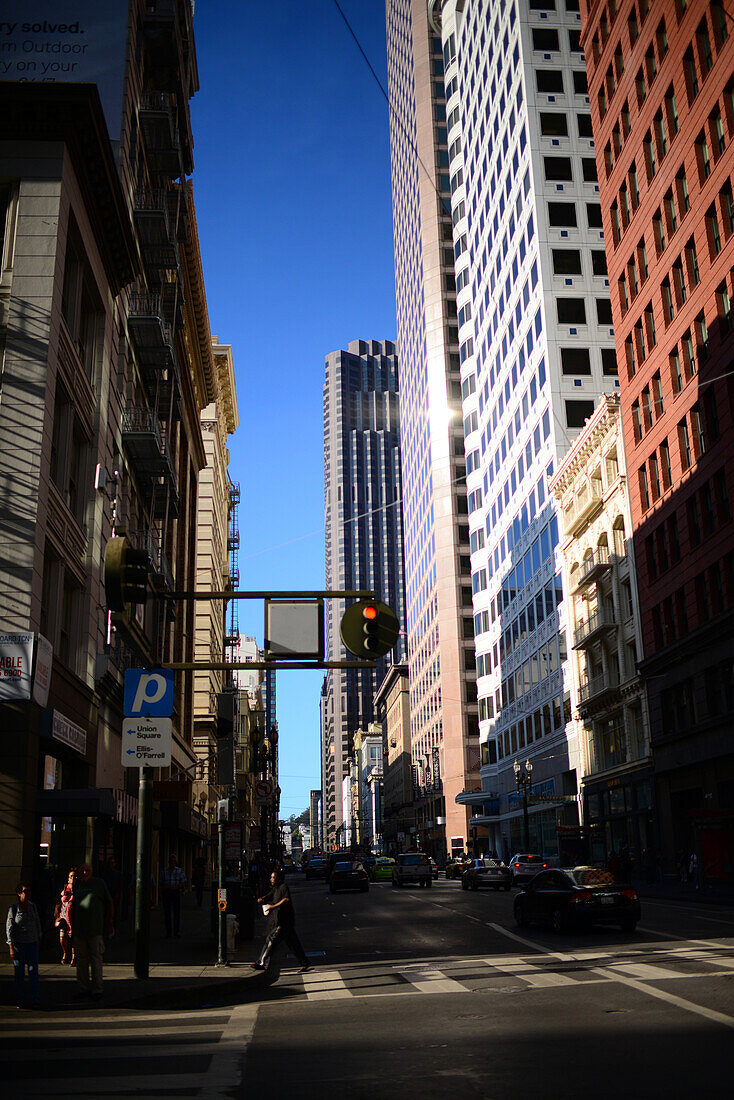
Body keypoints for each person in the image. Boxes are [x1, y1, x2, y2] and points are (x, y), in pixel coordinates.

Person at [251, 869, 311, 974]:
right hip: (285, 922)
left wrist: (272, 906)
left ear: (278, 878)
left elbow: (286, 900)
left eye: (273, 877)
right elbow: (269, 896)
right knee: (293, 944)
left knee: (271, 939)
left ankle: (261, 962)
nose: (271, 879)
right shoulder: (275, 889)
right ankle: (305, 963)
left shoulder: (283, 887)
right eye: (271, 877)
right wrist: (262, 899)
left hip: (284, 921)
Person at [72, 862, 114, 1002]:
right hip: (79, 929)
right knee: (81, 961)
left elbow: (110, 903)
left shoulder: (99, 884)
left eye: (87, 870)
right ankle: (83, 988)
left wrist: (109, 923)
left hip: (95, 929)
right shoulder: (77, 885)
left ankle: (98, 989)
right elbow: (74, 906)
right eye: (82, 870)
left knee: (96, 960)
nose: (85, 872)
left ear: (92, 871)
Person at [6, 882, 42, 1009]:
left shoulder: (33, 906)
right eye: (25, 891)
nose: (28, 894)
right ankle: (20, 998)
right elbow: (9, 928)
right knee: (19, 972)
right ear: (19, 893)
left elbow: (37, 923)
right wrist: (11, 946)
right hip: (19, 944)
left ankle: (34, 998)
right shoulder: (14, 909)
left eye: (29, 891)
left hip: (32, 942)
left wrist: (39, 938)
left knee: (33, 971)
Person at [160, 853, 187, 938]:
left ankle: (176, 931)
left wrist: (176, 887)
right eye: (171, 862)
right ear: (168, 862)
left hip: (175, 893)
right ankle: (168, 932)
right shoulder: (164, 871)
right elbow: (161, 882)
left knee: (176, 913)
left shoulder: (179, 871)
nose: (172, 863)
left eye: (173, 862)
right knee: (167, 913)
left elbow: (183, 882)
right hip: (167, 893)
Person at [54, 868, 77, 965]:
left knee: (73, 938)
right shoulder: (64, 888)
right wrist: (61, 894)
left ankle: (74, 957)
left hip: (74, 917)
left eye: (75, 876)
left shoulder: (79, 888)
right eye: (71, 876)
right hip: (64, 916)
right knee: (62, 938)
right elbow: (58, 901)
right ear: (68, 878)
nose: (73, 878)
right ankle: (65, 952)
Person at [102, 857, 123, 925]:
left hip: (114, 894)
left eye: (113, 863)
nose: (111, 864)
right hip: (107, 894)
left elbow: (120, 885)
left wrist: (118, 894)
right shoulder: (105, 874)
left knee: (114, 911)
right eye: (110, 863)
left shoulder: (118, 874)